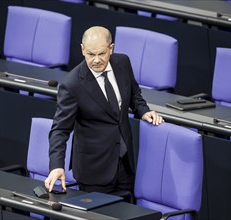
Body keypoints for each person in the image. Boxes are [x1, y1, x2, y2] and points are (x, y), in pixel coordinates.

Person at [44, 26, 164, 196]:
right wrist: (56, 166)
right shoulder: (72, 85)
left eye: (102, 53)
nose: (97, 60)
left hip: (125, 163)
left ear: (111, 49)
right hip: (94, 171)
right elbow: (60, 130)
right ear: (82, 50)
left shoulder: (122, 63)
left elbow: (133, 93)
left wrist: (143, 110)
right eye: (91, 54)